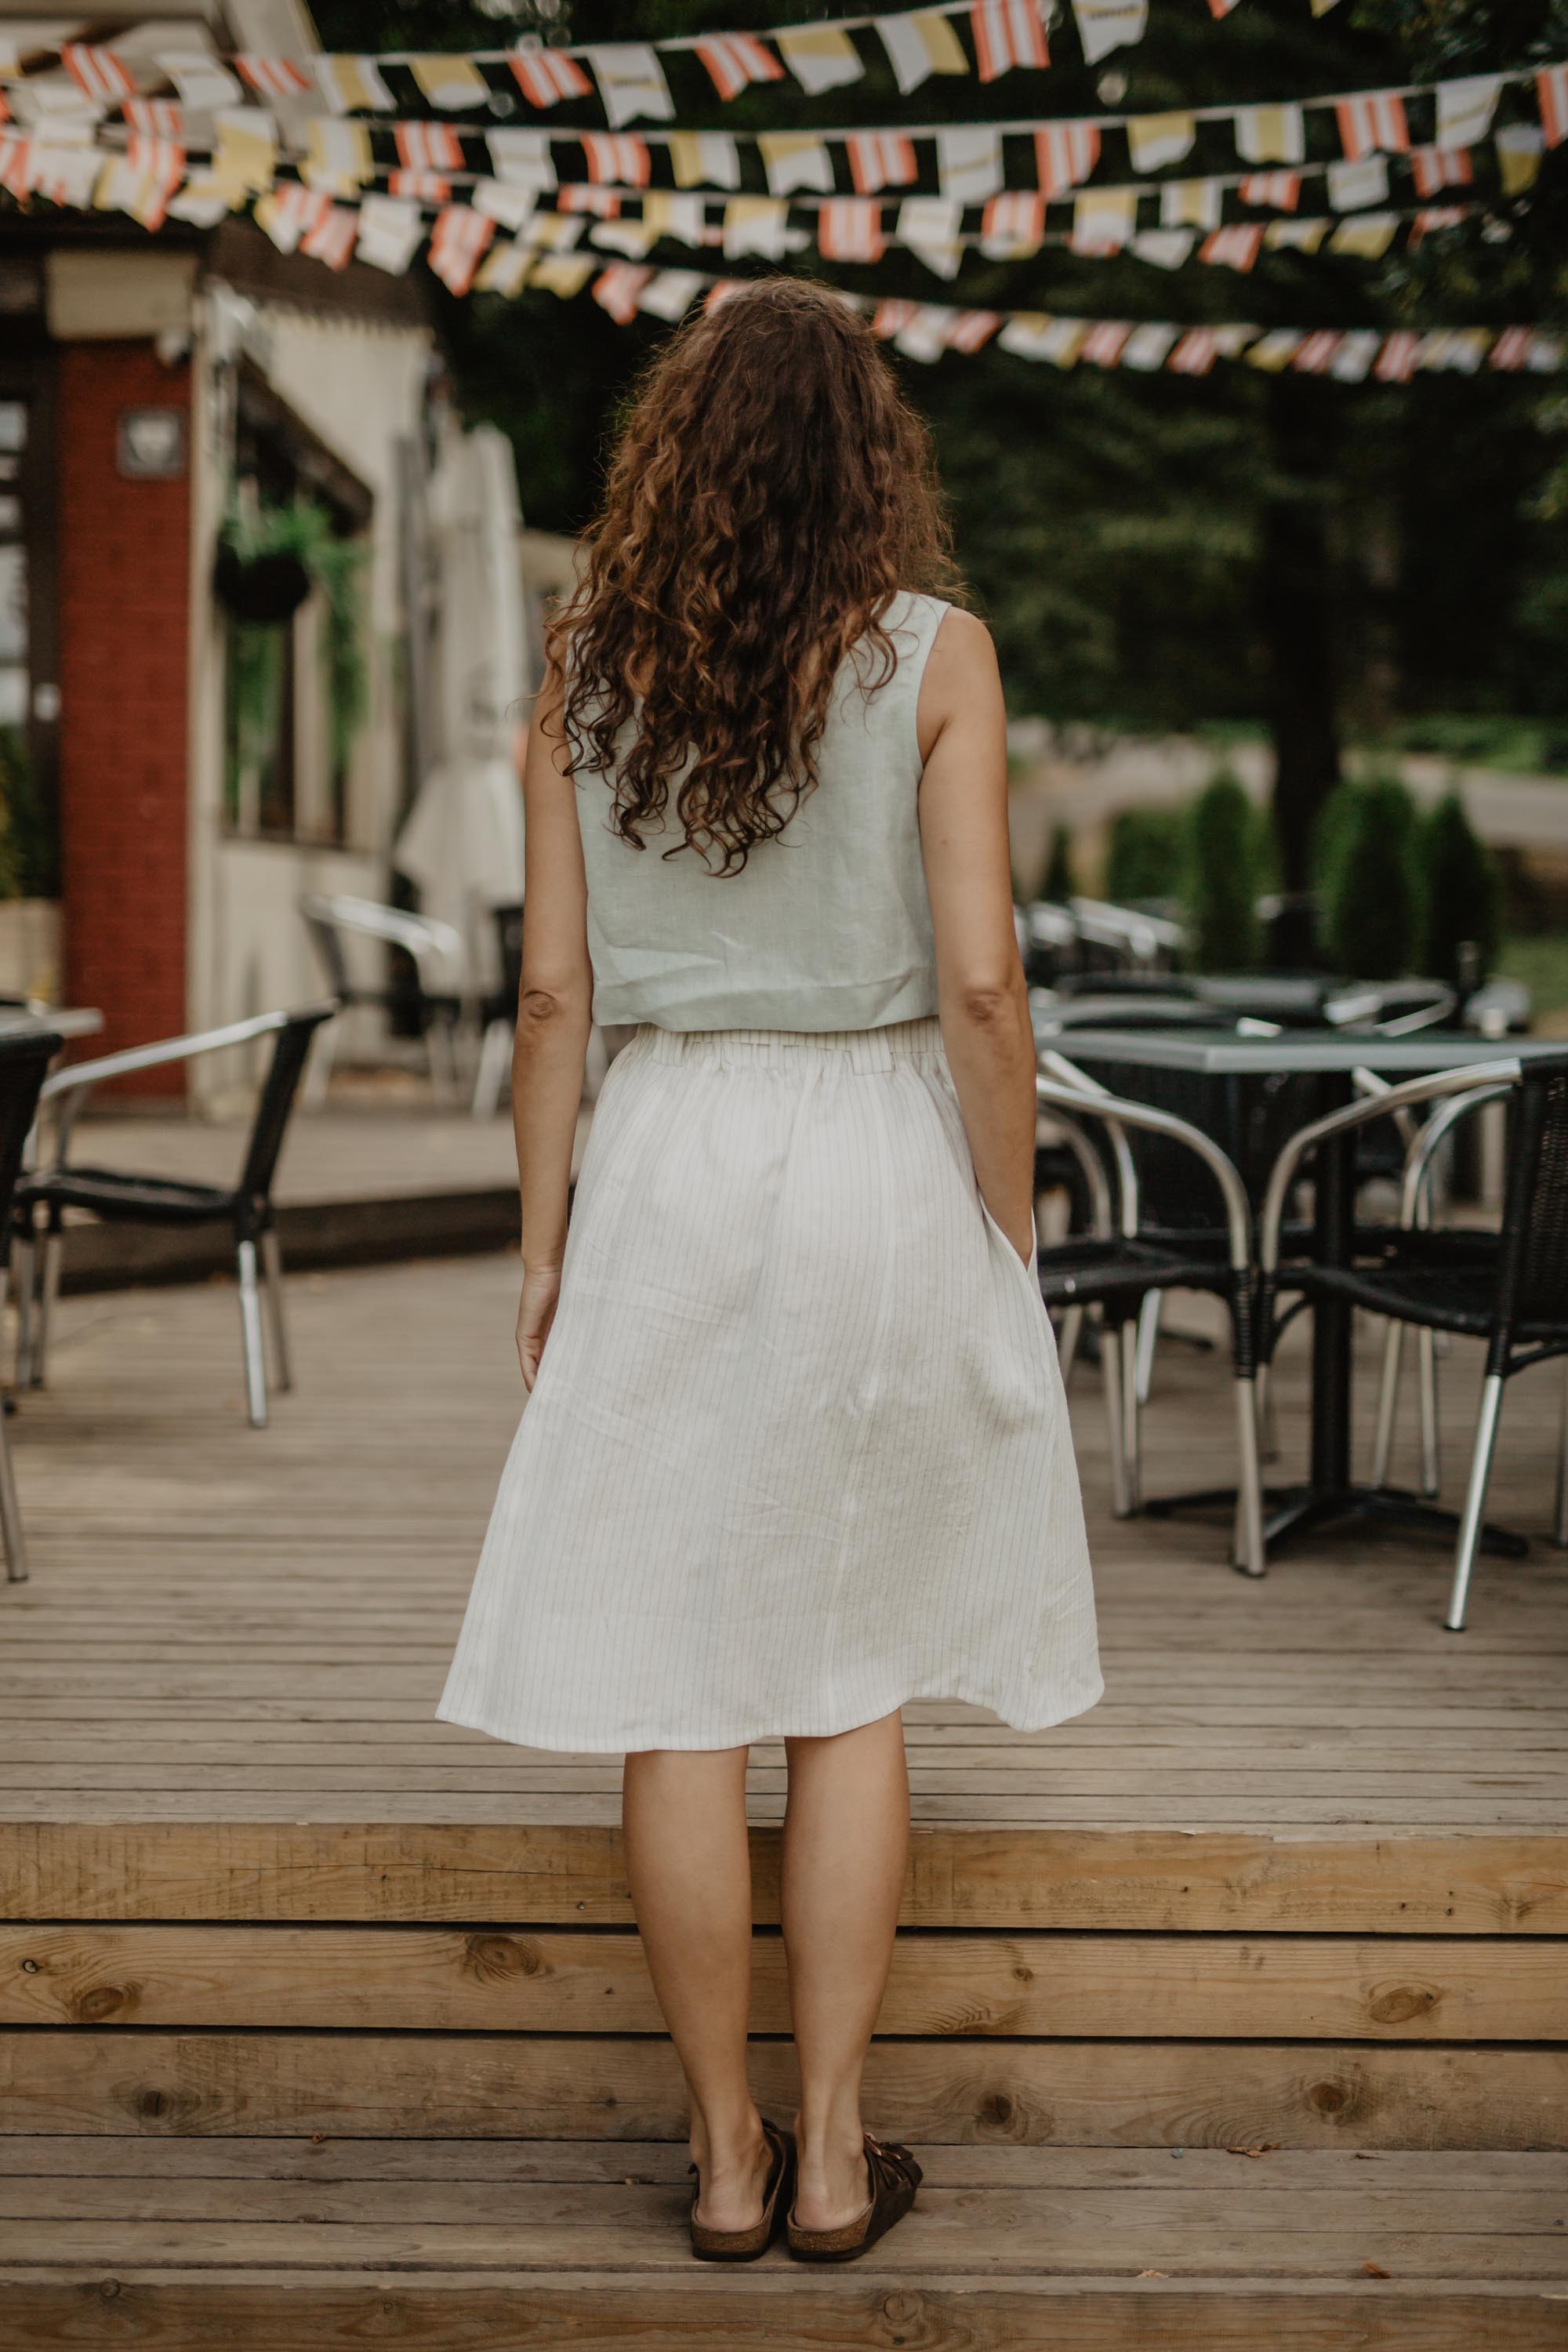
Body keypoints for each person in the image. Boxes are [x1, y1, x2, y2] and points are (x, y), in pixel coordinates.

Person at [439, 278, 1100, 2266]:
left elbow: (550, 992)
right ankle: (831, 2157)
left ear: (676, 456)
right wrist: (1010, 1217)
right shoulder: (938, 656)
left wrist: (545, 1244)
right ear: (866, 459)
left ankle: (717, 2162)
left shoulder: (581, 666)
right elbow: (984, 981)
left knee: (674, 1679)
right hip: (876, 1151)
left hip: (664, 1163)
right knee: (847, 1684)